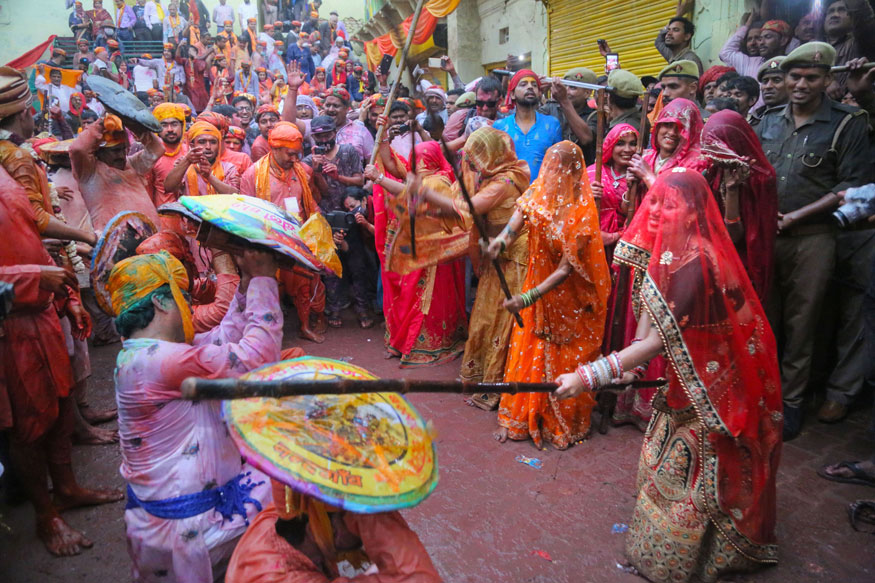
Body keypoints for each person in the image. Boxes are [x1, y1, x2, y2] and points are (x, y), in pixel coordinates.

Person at [554, 169, 783, 583]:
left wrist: (589, 376)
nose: (656, 211)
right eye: (653, 201)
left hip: (717, 382)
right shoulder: (666, 250)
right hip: (688, 375)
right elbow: (650, 306)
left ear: (694, 212)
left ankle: (707, 554)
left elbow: (658, 339)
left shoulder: (697, 261)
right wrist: (632, 366)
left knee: (703, 472)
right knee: (666, 461)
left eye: (670, 204)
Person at [0, 66, 122, 557]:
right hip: (13, 319)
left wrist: (63, 291)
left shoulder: (10, 164)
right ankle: (47, 517)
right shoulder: (13, 161)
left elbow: (30, 229)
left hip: (43, 304)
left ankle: (66, 489)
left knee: (57, 403)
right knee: (30, 422)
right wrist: (34, 279)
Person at [109, 249, 279, 582]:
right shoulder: (165, 361)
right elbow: (257, 357)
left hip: (160, 520)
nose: (188, 307)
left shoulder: (139, 354)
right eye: (182, 297)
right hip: (194, 524)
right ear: (160, 302)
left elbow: (223, 339)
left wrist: (244, 285)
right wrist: (264, 279)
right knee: (295, 483)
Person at [754, 42, 871, 439]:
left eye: (812, 77)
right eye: (795, 76)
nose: (802, 84)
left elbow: (850, 186)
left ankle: (790, 402)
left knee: (802, 324)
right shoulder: (766, 120)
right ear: (784, 79)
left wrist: (795, 217)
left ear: (827, 80)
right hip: (767, 238)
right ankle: (760, 395)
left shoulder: (847, 122)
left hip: (814, 238)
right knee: (763, 319)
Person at [490, 141, 609, 448]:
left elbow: (565, 270)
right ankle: (520, 416)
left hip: (567, 298)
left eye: (560, 169)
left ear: (573, 173)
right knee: (528, 347)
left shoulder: (582, 213)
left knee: (560, 356)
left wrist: (528, 298)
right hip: (535, 285)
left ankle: (557, 421)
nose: (553, 174)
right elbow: (514, 227)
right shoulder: (534, 196)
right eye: (550, 166)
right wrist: (500, 243)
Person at [409, 128, 530, 403]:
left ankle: (498, 387)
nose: (471, 165)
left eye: (476, 159)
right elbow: (458, 200)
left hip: (514, 259)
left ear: (492, 157)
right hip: (494, 254)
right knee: (485, 317)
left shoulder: (506, 180)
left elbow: (468, 208)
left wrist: (424, 193)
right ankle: (481, 377)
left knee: (502, 321)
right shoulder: (488, 175)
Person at [238, 121, 326, 344]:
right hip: (266, 240)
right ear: (274, 149)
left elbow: (310, 203)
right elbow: (245, 212)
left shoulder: (302, 171)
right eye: (290, 154)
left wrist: (321, 228)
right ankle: (266, 334)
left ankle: (305, 327)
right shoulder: (252, 175)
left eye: (298, 154)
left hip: (298, 238)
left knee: (305, 285)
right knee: (270, 287)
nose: (295, 159)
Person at [701, 109, 777, 303]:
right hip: (712, 258)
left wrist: (732, 190)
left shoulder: (759, 179)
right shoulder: (713, 170)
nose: (712, 156)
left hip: (742, 262)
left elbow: (735, 236)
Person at [302, 115, 365, 328]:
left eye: (327, 134)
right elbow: (318, 191)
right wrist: (316, 171)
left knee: (356, 264)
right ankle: (334, 308)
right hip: (324, 218)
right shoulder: (308, 161)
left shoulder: (348, 151)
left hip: (351, 216)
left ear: (334, 133)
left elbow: (361, 180)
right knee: (329, 266)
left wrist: (339, 177)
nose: (323, 139)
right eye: (318, 136)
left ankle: (362, 308)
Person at [69, 114, 161, 232]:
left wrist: (133, 123)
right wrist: (102, 123)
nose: (121, 155)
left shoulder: (131, 164)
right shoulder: (89, 173)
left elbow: (157, 150)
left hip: (149, 239)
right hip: (113, 244)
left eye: (124, 149)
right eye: (115, 151)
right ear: (98, 152)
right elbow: (78, 149)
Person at [627, 97, 708, 194]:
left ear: (691, 132)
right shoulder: (645, 157)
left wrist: (647, 175)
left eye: (681, 128)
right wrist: (630, 189)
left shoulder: (696, 163)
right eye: (667, 125)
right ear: (658, 127)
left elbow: (677, 203)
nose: (672, 132)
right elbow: (627, 206)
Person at [493, 70, 562, 184]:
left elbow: (558, 166)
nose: (530, 87)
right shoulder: (500, 127)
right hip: (510, 197)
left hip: (542, 197)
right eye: (523, 84)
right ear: (512, 94)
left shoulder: (552, 124)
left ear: (539, 93)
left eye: (534, 85)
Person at [165, 120, 240, 196]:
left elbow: (235, 195)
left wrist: (209, 177)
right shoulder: (184, 166)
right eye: (202, 142)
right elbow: (168, 188)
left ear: (219, 146)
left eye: (213, 142)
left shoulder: (228, 168)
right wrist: (186, 161)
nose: (208, 147)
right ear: (192, 145)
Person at [539, 67, 597, 163]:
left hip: (581, 174)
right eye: (565, 86)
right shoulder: (551, 108)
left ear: (587, 93)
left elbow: (586, 139)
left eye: (572, 87)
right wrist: (537, 92)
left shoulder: (595, 115)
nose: (566, 91)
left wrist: (564, 100)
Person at [823, 0, 875, 99]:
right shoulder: (814, 46)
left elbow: (861, 13)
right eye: (830, 11)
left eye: (842, 10)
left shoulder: (861, 40)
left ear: (851, 15)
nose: (835, 14)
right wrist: (826, 82)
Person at [145, 102, 188, 208]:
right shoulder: (151, 156)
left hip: (193, 217)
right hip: (164, 217)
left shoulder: (191, 152)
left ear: (182, 126)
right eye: (164, 125)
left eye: (174, 124)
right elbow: (147, 193)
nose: (170, 129)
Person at [444, 76, 503, 142]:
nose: (484, 108)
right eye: (480, 103)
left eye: (490, 103)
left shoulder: (506, 124)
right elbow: (442, 149)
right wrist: (465, 138)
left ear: (499, 101)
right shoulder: (460, 117)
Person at [654, 7, 704, 76]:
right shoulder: (671, 55)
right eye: (668, 30)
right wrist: (678, 16)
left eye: (675, 30)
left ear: (687, 36)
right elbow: (658, 42)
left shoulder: (690, 60)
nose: (668, 33)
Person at [750, 56, 788, 124]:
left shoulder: (797, 119)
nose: (768, 86)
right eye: (765, 81)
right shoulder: (756, 116)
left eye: (776, 80)